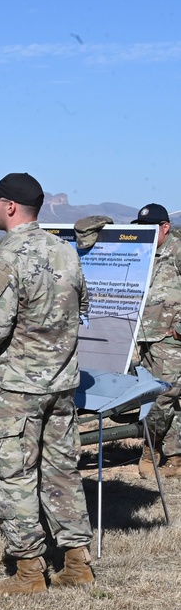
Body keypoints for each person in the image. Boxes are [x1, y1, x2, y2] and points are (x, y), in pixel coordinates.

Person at [0, 173, 95, 594]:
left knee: (13, 474)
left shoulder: (8, 257)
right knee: (61, 471)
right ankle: (77, 563)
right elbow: (83, 306)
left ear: (11, 207)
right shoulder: (65, 252)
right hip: (62, 382)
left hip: (19, 388)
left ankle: (28, 573)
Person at [131, 203, 181, 478]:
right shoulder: (145, 253)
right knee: (169, 398)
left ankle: (150, 451)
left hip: (169, 339)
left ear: (165, 227)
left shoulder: (177, 251)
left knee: (160, 398)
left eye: (151, 228)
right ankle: (176, 458)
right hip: (145, 337)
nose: (145, 233)